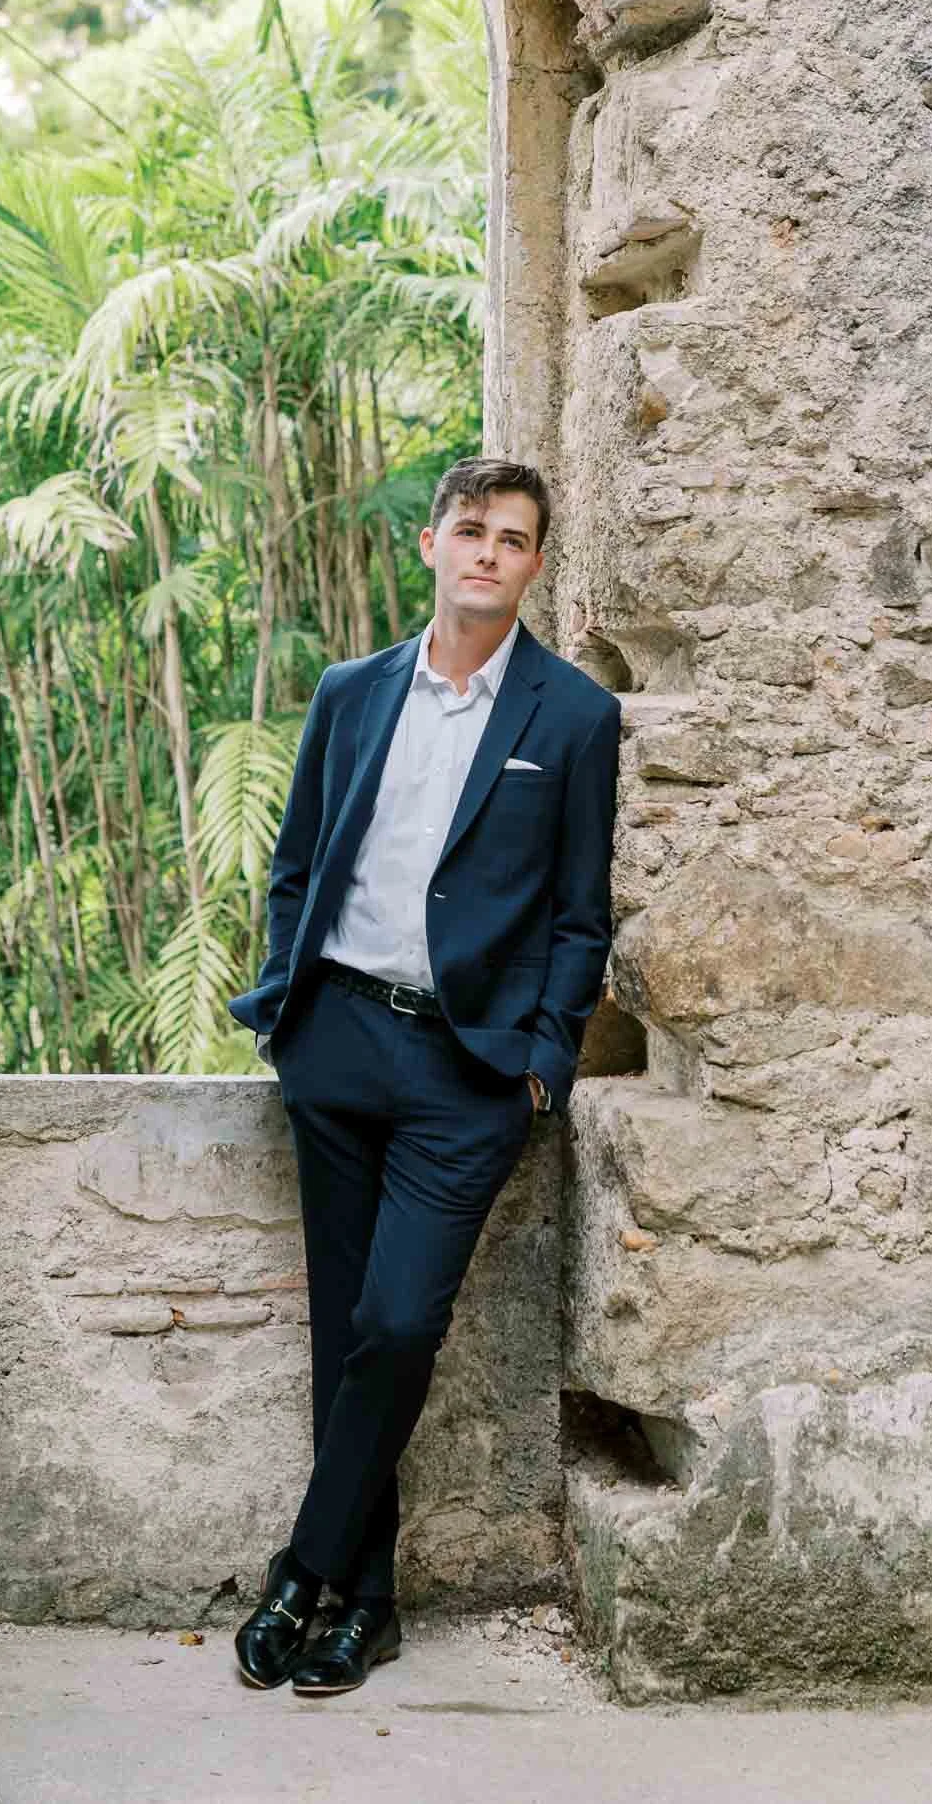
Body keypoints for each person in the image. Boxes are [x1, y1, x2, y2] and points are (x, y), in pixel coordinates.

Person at [226, 454, 621, 1697]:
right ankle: (368, 1607)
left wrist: (543, 1060)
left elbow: (578, 910)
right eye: (470, 529)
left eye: (512, 538)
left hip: (470, 1069)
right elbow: (297, 862)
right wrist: (288, 1002)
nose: (487, 552)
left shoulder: (570, 716)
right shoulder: (351, 693)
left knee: (400, 1321)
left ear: (535, 563)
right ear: (434, 547)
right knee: (346, 1332)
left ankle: (302, 1568)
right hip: (336, 1037)